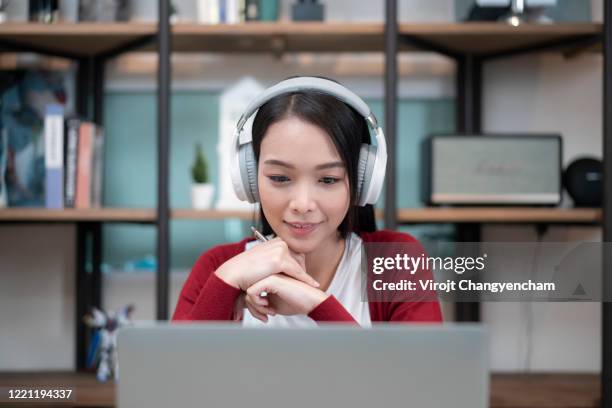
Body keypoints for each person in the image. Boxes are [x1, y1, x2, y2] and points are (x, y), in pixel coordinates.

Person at [172, 77, 442, 326]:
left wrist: (315, 303)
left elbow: (419, 377)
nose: (302, 204)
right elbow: (174, 377)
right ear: (250, 178)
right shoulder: (220, 266)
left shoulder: (396, 260)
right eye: (279, 178)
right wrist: (226, 283)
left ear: (361, 181)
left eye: (328, 180)